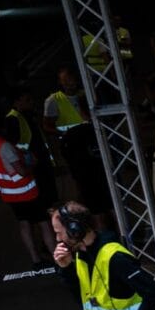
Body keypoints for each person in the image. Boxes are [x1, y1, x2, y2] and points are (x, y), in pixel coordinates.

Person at [0, 109, 56, 268]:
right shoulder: (4, 146)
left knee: (24, 224)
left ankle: (36, 260)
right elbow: (21, 171)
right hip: (26, 191)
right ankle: (58, 258)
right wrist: (33, 164)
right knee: (43, 223)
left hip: (8, 193)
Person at [43, 67, 111, 220]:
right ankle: (85, 213)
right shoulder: (54, 100)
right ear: (60, 83)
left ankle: (99, 211)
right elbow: (47, 125)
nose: (68, 84)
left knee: (98, 182)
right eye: (64, 81)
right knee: (80, 183)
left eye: (70, 80)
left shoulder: (85, 95)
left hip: (92, 147)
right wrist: (64, 134)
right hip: (71, 149)